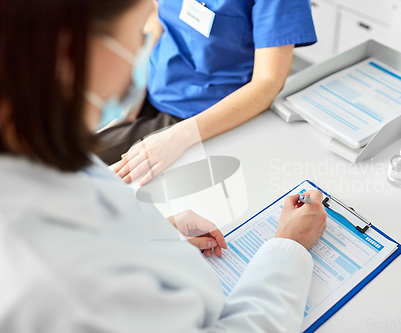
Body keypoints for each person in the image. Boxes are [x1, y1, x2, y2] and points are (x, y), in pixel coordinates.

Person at [0, 0, 328, 332]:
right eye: (137, 35)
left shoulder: (39, 160)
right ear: (75, 50)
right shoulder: (74, 292)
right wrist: (290, 248)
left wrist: (150, 235)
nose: (143, 54)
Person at [96, 0, 317, 186]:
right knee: (74, 148)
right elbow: (158, 18)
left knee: (91, 165)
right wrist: (134, 89)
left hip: (204, 114)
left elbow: (268, 81)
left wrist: (180, 136)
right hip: (151, 87)